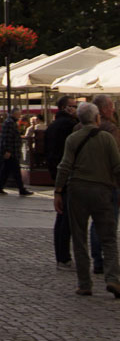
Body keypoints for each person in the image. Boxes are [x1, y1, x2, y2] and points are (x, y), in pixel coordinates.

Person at [54, 101, 120, 298]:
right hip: (102, 191)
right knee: (108, 238)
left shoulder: (73, 139)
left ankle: (84, 284)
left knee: (79, 237)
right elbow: (117, 167)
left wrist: (58, 191)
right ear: (97, 117)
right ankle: (113, 279)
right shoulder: (107, 138)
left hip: (77, 191)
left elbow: (64, 166)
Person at [45, 94, 78, 269]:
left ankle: (61, 255)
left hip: (56, 173)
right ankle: (64, 257)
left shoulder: (52, 126)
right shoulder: (70, 126)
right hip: (68, 174)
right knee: (67, 218)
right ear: (66, 108)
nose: (76, 109)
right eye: (73, 106)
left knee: (61, 215)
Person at [89, 93, 120, 277]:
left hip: (89, 182)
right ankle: (109, 266)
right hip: (109, 183)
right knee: (110, 224)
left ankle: (97, 260)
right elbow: (116, 160)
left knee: (95, 223)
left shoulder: (78, 128)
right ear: (103, 110)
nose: (113, 109)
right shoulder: (111, 129)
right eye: (110, 106)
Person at [0, 107, 31, 195]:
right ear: (13, 114)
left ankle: (0, 187)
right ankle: (21, 189)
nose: (19, 116)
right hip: (11, 152)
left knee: (6, 170)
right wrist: (8, 150)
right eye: (18, 114)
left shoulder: (10, 122)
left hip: (12, 151)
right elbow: (7, 138)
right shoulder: (10, 123)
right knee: (15, 171)